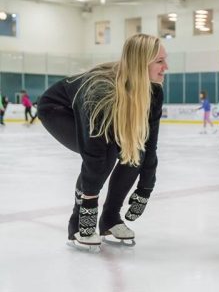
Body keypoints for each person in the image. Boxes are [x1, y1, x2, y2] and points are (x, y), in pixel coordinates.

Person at [36, 34, 167, 250]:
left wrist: (146, 186)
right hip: (58, 110)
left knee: (134, 150)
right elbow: (93, 152)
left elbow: (149, 144)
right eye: (159, 61)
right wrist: (88, 207)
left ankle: (110, 219)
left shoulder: (153, 91)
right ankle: (77, 224)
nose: (166, 67)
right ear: (140, 63)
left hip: (92, 114)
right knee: (105, 153)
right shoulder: (100, 88)